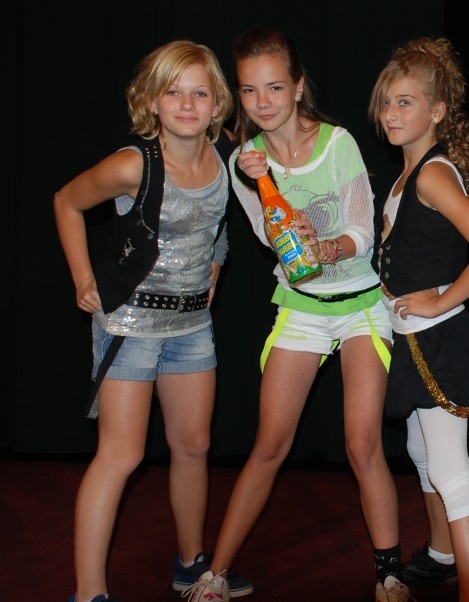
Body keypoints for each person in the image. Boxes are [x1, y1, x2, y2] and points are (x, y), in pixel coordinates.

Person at [182, 28, 401, 602]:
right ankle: (215, 575)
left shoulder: (339, 143)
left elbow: (362, 232)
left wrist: (323, 246)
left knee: (362, 445)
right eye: (249, 90)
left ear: (298, 87)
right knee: (269, 445)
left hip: (359, 305)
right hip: (301, 310)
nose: (262, 102)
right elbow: (271, 240)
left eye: (275, 87)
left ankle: (389, 575)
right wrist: (263, 186)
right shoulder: (244, 161)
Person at [53, 40, 252, 602]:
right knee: (122, 454)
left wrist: (217, 260)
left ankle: (190, 565)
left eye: (199, 93)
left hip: (192, 325)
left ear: (217, 105)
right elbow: (66, 202)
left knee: (193, 445)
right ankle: (89, 594)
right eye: (173, 92)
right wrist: (82, 278)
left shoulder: (229, 155)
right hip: (129, 325)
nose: (187, 104)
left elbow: (221, 220)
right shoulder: (132, 164)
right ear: (151, 102)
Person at [368, 37, 469, 602]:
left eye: (405, 102)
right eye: (386, 102)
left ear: (438, 111)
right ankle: (445, 556)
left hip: (438, 338)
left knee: (452, 472)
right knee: (423, 454)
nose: (391, 113)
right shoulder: (408, 175)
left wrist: (440, 301)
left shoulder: (431, 175)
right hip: (412, 337)